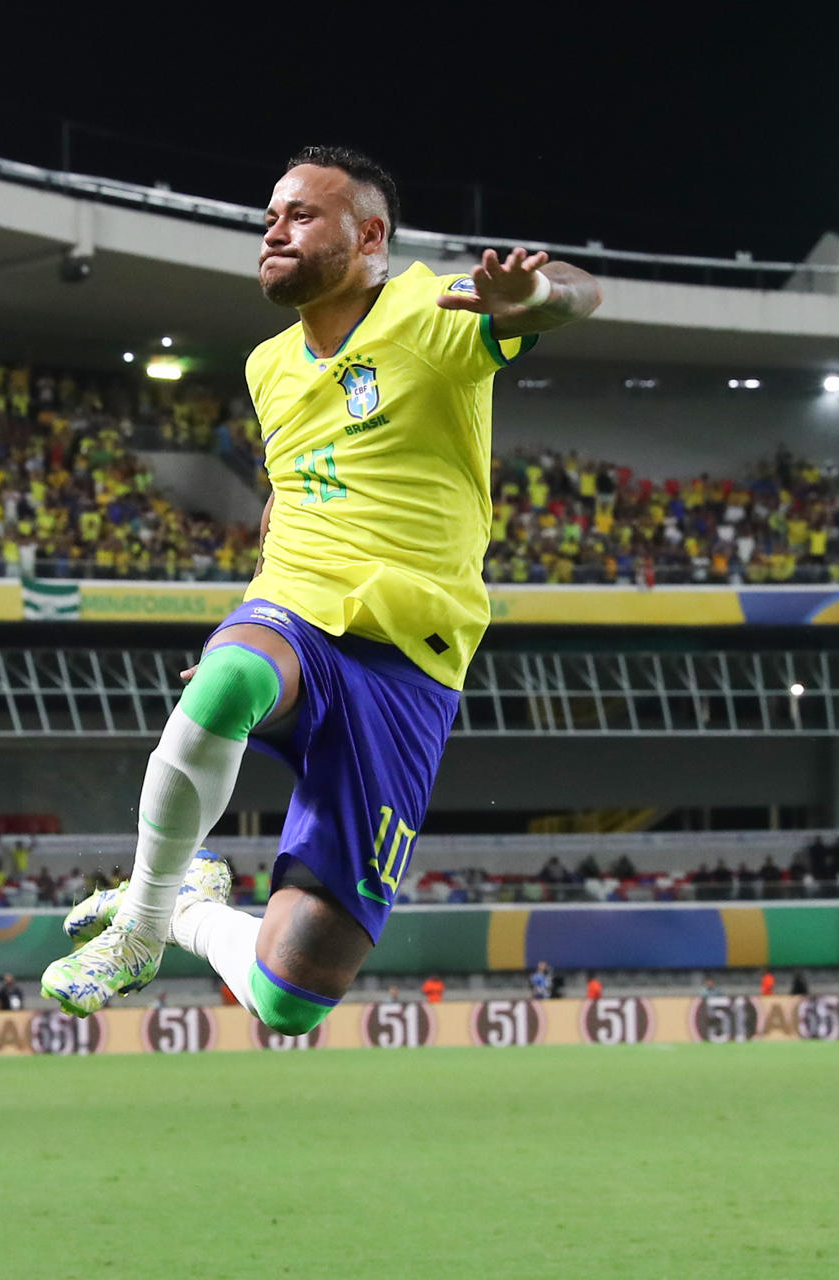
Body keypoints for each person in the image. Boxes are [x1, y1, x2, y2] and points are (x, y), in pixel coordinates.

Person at [43, 146, 600, 1032]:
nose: (274, 228)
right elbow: (286, 501)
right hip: (299, 613)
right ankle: (142, 928)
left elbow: (579, 288)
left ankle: (186, 909)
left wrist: (538, 296)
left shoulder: (432, 310)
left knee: (288, 998)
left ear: (370, 234)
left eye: (302, 214)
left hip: (413, 663)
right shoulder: (269, 366)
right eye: (271, 214)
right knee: (226, 685)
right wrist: (246, 632)